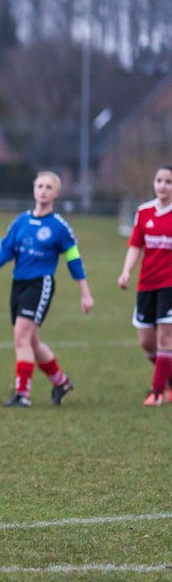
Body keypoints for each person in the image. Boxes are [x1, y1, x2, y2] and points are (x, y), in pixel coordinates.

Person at [0, 170, 93, 407]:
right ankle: (61, 382)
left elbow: (74, 259)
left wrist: (85, 292)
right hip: (18, 283)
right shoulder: (21, 221)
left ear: (56, 193)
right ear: (34, 190)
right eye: (39, 186)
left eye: (48, 187)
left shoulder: (59, 227)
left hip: (41, 283)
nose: (43, 191)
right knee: (31, 342)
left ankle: (23, 394)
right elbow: (7, 247)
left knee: (21, 335)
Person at [118, 164, 172, 405]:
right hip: (146, 283)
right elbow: (136, 245)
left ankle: (157, 392)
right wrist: (126, 272)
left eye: (168, 182)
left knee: (164, 339)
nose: (162, 185)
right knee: (146, 341)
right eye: (159, 180)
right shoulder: (144, 212)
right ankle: (169, 378)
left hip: (169, 285)